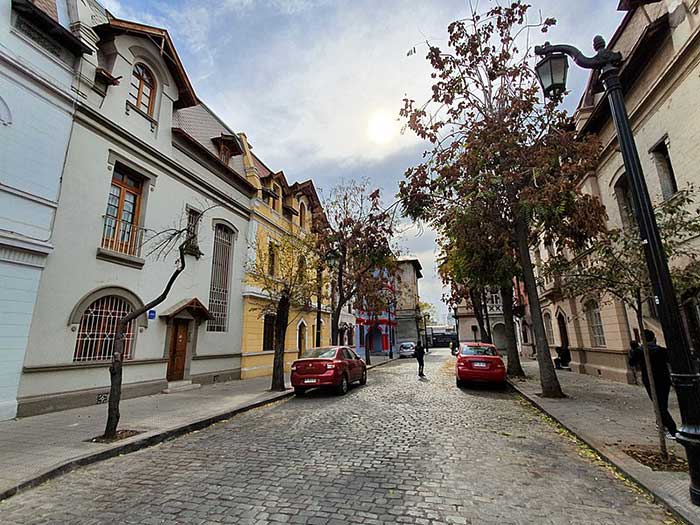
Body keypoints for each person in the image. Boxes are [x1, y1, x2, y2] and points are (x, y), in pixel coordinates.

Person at [628, 331, 678, 438]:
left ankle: (672, 430)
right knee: (663, 403)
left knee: (659, 405)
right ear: (654, 338)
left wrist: (633, 350)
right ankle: (661, 423)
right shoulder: (661, 350)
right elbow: (671, 360)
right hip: (664, 380)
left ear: (642, 339)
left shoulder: (640, 351)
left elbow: (632, 362)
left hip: (650, 381)